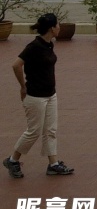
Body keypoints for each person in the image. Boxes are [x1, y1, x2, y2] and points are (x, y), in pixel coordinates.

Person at [4, 13, 74, 178]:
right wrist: (23, 87)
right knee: (34, 131)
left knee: (50, 130)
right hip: (35, 96)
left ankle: (53, 164)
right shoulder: (34, 46)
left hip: (51, 95)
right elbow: (16, 65)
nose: (59, 27)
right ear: (51, 28)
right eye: (58, 25)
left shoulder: (49, 44)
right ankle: (12, 160)